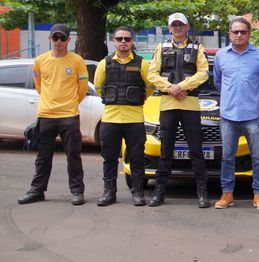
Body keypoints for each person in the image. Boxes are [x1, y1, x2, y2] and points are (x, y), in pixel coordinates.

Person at [18, 24, 90, 206]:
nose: (59, 41)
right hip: (46, 115)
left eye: (62, 38)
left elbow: (82, 89)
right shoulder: (40, 61)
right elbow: (39, 85)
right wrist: (50, 102)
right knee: (43, 156)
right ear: (50, 39)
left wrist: (70, 103)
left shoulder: (77, 61)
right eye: (55, 38)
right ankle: (37, 190)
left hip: (69, 115)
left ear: (68, 40)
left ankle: (76, 191)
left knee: (73, 155)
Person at [147, 12, 210, 208]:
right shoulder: (161, 48)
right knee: (166, 150)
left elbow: (203, 73)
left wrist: (181, 87)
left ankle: (202, 192)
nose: (177, 28)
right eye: (174, 25)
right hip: (167, 104)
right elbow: (152, 74)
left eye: (180, 25)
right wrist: (171, 88)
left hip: (189, 104)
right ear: (169, 28)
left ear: (187, 27)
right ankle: (159, 192)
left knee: (196, 150)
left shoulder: (197, 48)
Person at [213, 17, 259, 210]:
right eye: (235, 32)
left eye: (243, 32)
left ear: (249, 34)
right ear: (229, 34)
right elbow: (218, 82)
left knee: (258, 157)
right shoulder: (221, 56)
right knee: (227, 157)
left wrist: (253, 96)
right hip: (228, 115)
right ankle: (227, 194)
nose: (239, 35)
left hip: (252, 115)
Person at [93, 27, 153, 206]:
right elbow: (98, 87)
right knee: (109, 158)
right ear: (114, 41)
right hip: (110, 119)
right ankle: (109, 193)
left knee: (136, 157)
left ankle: (137, 192)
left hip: (134, 120)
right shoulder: (104, 63)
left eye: (127, 39)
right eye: (120, 39)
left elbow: (149, 87)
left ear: (132, 41)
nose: (123, 42)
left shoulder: (142, 64)